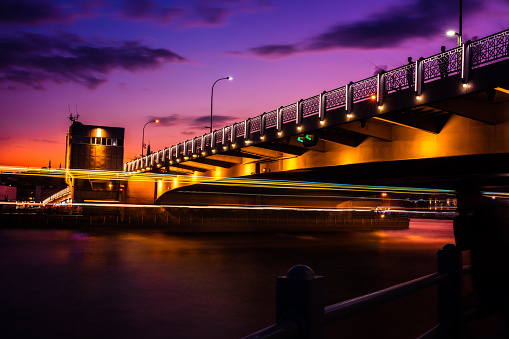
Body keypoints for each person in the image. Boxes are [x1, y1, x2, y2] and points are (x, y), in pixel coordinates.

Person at [454, 182, 509, 334]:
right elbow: (463, 244)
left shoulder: (493, 212)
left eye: (459, 198)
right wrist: (462, 216)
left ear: (470, 196)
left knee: (459, 319)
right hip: (491, 287)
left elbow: (465, 245)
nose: (458, 202)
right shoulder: (482, 213)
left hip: (497, 285)